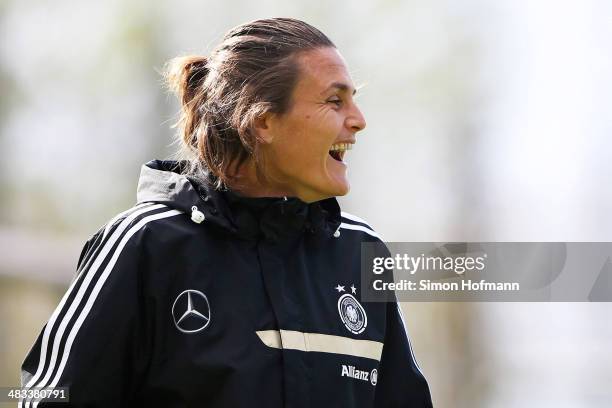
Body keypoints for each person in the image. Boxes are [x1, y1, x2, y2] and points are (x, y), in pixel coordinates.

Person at [20, 18, 432, 407]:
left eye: (353, 101)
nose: (358, 120)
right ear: (262, 122)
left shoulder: (362, 252)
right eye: (334, 101)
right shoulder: (146, 243)